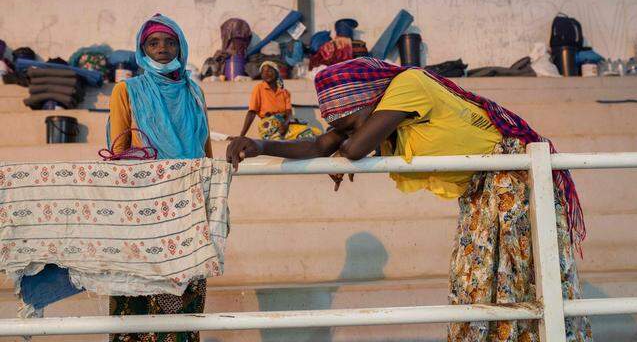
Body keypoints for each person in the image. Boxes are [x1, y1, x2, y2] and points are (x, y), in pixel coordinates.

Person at [226, 57, 592, 341]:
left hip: (516, 183)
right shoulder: (375, 110)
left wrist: (346, 150)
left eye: (349, 121)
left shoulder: (409, 83)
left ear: (367, 100)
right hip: (481, 191)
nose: (345, 132)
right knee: (479, 285)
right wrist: (259, 145)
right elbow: (323, 143)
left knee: (524, 283)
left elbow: (354, 147)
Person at [108, 14, 212, 342]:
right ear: (143, 49)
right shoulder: (127, 90)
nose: (162, 48)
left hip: (188, 206)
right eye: (154, 43)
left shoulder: (194, 92)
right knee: (136, 293)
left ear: (180, 45)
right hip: (142, 206)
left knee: (182, 295)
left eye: (169, 42)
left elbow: (204, 146)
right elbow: (118, 150)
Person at [239, 61, 318, 140]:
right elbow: (251, 113)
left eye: (269, 70)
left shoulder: (285, 92)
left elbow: (288, 112)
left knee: (311, 133)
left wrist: (285, 124)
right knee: (278, 143)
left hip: (284, 124)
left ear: (276, 72)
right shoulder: (259, 88)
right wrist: (241, 136)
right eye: (263, 72)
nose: (266, 74)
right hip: (268, 125)